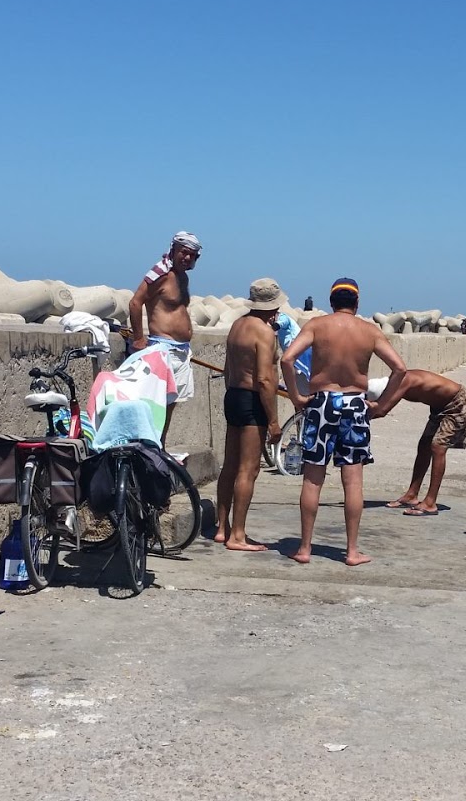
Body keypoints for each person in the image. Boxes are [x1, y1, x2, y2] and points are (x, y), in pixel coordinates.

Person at [280, 277, 407, 566]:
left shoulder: (317, 326)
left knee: (313, 479)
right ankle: (351, 551)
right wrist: (381, 405)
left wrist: (296, 396)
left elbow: (287, 359)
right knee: (353, 481)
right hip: (354, 403)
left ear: (331, 301)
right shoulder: (369, 331)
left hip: (321, 402)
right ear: (357, 302)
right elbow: (400, 369)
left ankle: (304, 548)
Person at [214, 279, 285, 552]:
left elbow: (227, 369)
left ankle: (222, 528)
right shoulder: (264, 333)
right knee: (249, 469)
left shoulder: (237, 325)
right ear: (273, 307)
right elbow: (265, 380)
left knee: (230, 466)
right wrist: (273, 421)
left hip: (233, 394)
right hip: (252, 399)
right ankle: (238, 535)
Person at [127, 231, 201, 444]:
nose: (187, 257)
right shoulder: (161, 273)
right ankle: (150, 447)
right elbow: (135, 302)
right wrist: (139, 339)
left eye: (192, 255)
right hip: (163, 349)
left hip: (181, 351)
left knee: (170, 405)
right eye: (184, 252)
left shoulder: (183, 277)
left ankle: (159, 446)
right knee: (156, 404)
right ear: (173, 250)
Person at [381, 370, 466, 516]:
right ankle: (411, 495)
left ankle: (430, 503)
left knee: (438, 447)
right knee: (424, 445)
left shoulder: (403, 382)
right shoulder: (396, 381)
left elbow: (382, 410)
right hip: (440, 407)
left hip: (458, 402)